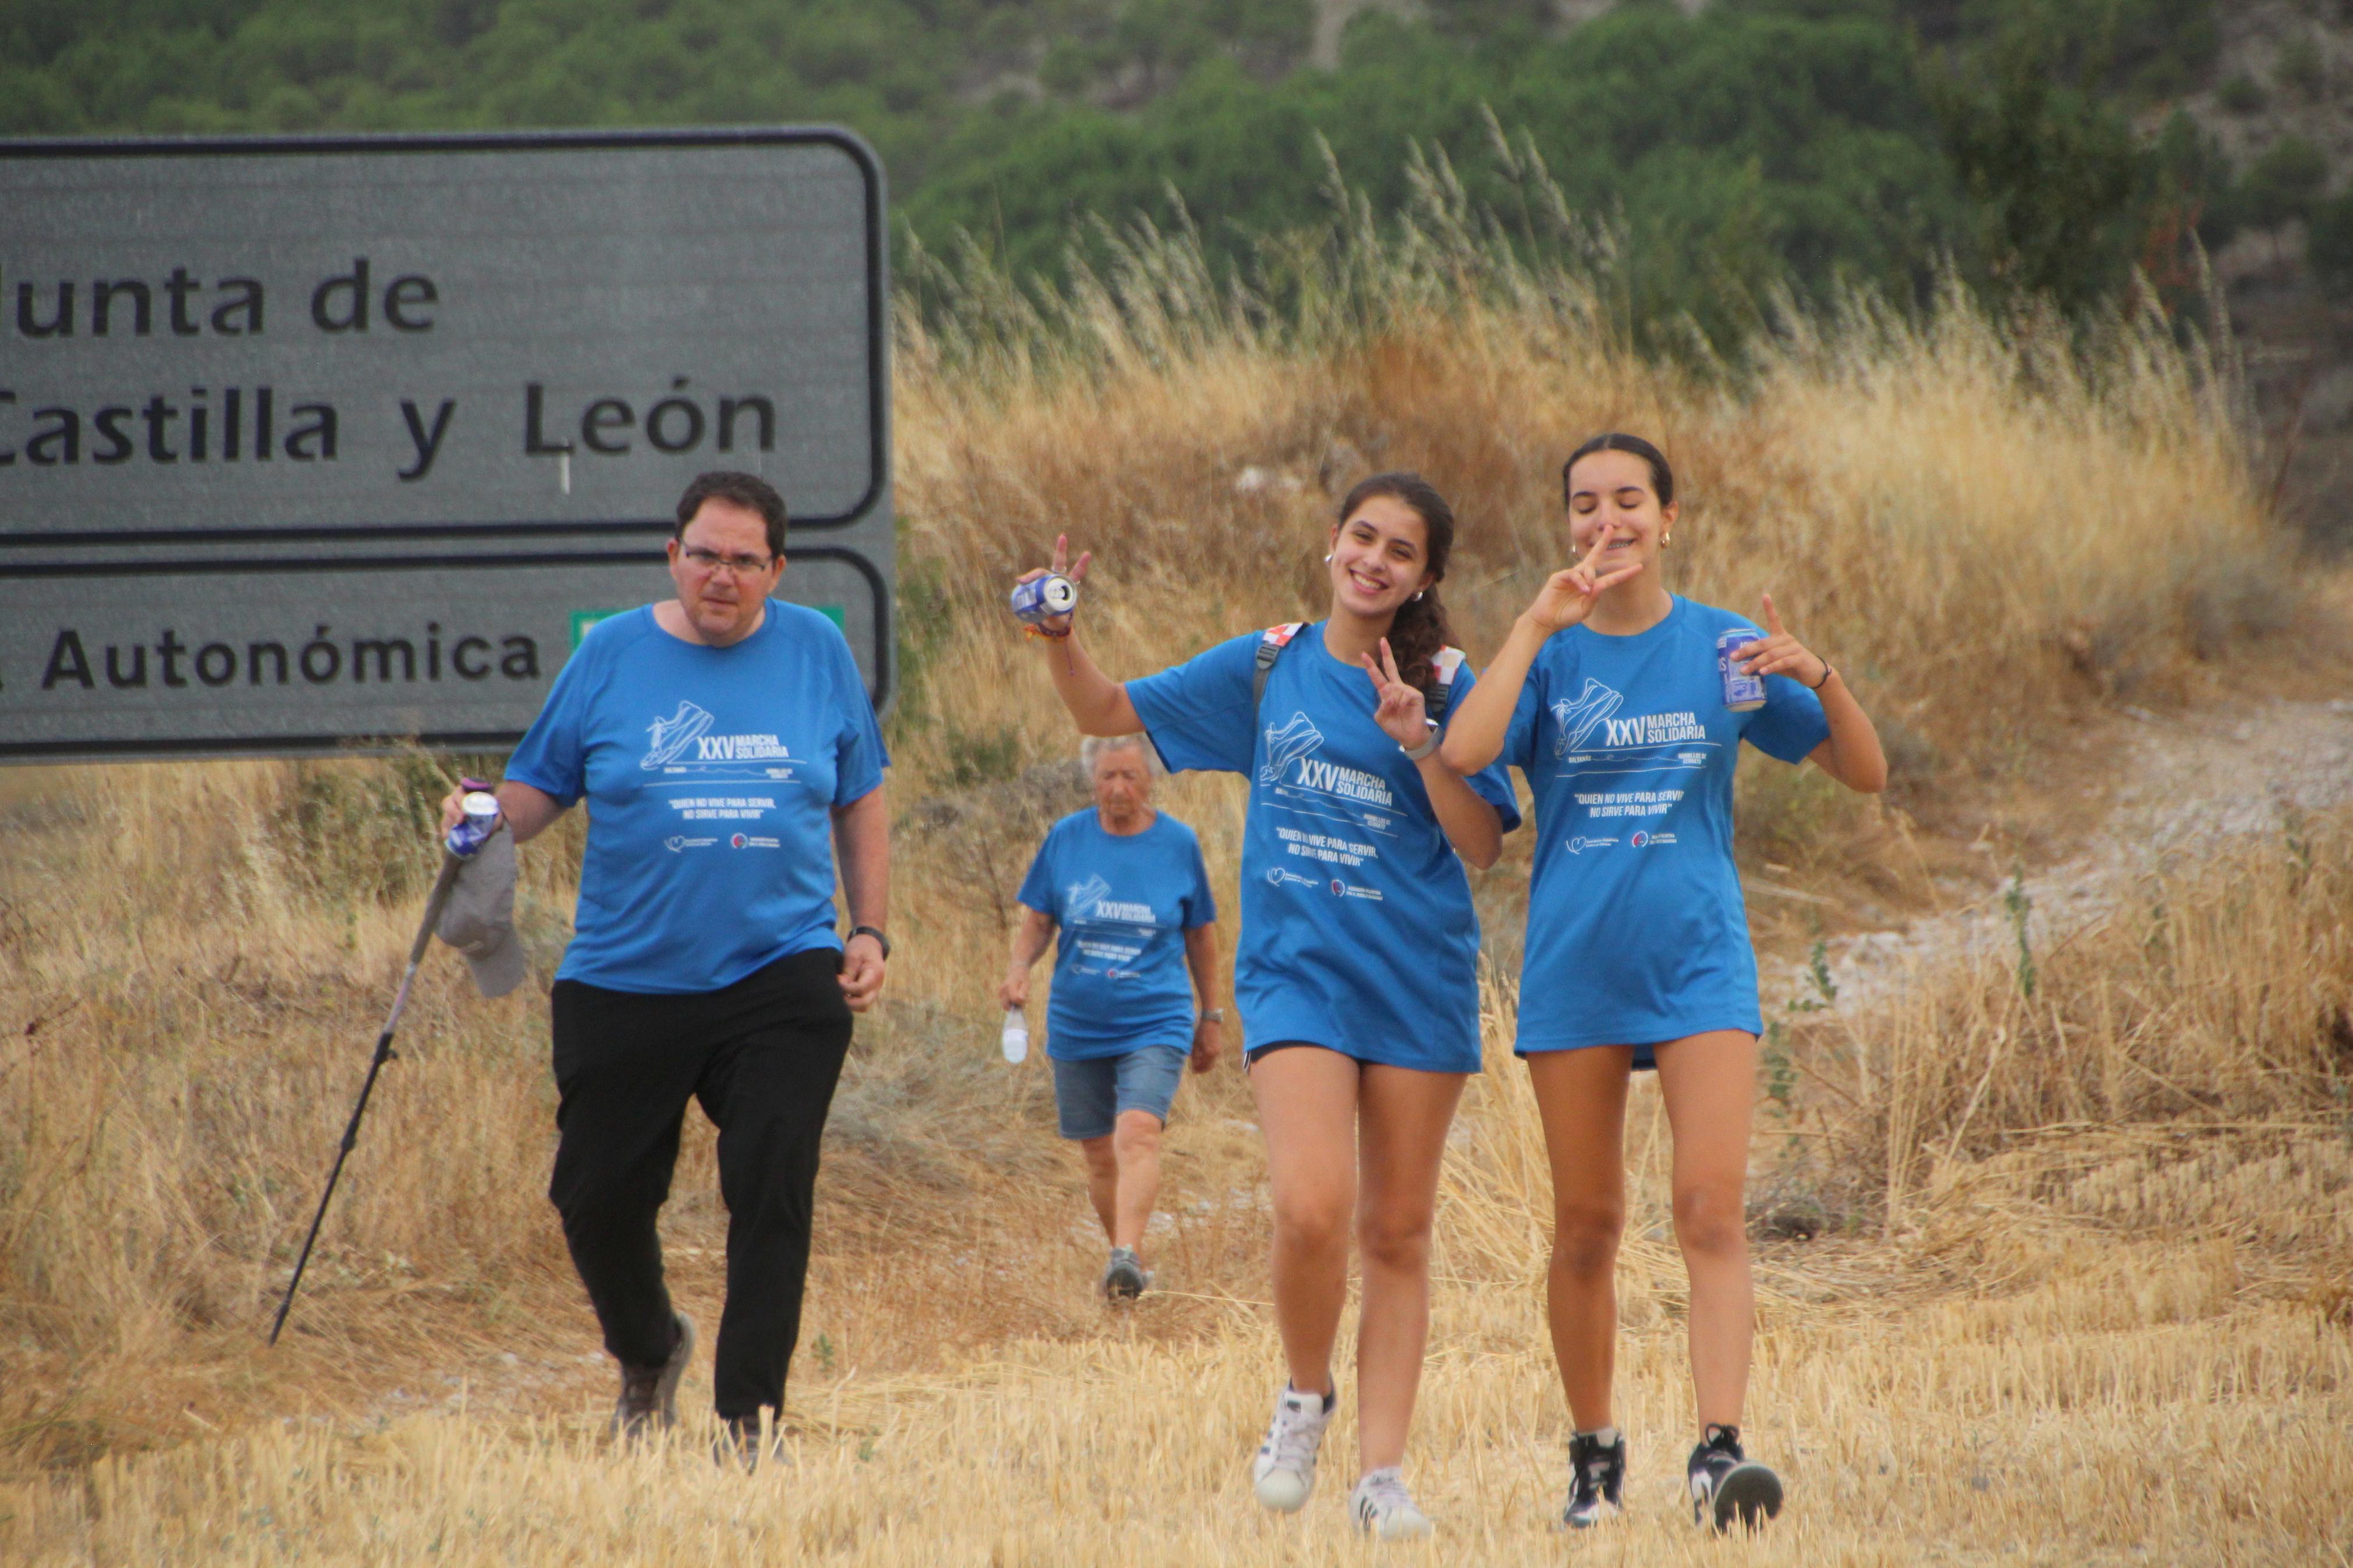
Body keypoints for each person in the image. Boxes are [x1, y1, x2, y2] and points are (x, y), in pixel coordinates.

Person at [1014, 472, 1520, 1541]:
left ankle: (1380, 1475)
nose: (1373, 560)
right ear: (1332, 541)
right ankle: (1304, 1394)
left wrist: (1419, 741)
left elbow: (1481, 844)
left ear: (1425, 575)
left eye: (1400, 551)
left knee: (1396, 1231)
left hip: (1417, 979)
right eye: (1362, 536)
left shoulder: (1448, 680)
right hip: (1298, 977)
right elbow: (1107, 712)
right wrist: (1061, 637)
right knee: (1308, 1207)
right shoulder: (1267, 663)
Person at [1439, 433, 1887, 1533]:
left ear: (1668, 518)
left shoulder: (1724, 645)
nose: (1607, 521)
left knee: (1708, 1210)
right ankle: (1593, 1459)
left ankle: (1717, 1453)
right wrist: (1530, 626)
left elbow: (1864, 773)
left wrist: (1817, 674)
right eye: (1584, 504)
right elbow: (1465, 753)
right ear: (1566, 524)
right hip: (1576, 968)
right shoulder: (1547, 654)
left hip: (1698, 964)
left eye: (1628, 500)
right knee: (1585, 1226)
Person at [436, 469, 890, 1467]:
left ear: (776, 570)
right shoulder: (609, 654)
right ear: (672, 556)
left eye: (743, 560)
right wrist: (482, 816)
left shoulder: (816, 649)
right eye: (704, 555)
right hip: (625, 975)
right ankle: (648, 1353)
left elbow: (858, 792)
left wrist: (869, 930)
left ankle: (749, 1421)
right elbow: (539, 789)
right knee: (595, 1198)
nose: (721, 575)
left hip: (781, 971)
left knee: (772, 1179)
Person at [1000, 733, 1224, 1300]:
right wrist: (1019, 969)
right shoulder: (1066, 838)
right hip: (1078, 1019)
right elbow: (1038, 921)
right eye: (1107, 777)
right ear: (1092, 781)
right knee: (1099, 1153)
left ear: (1150, 779)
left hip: (1155, 1015)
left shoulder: (1177, 844)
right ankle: (1127, 1265)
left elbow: (1200, 935)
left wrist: (1212, 1015)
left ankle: (1122, 1252)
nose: (1118, 788)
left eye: (1129, 775)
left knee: (1138, 1132)